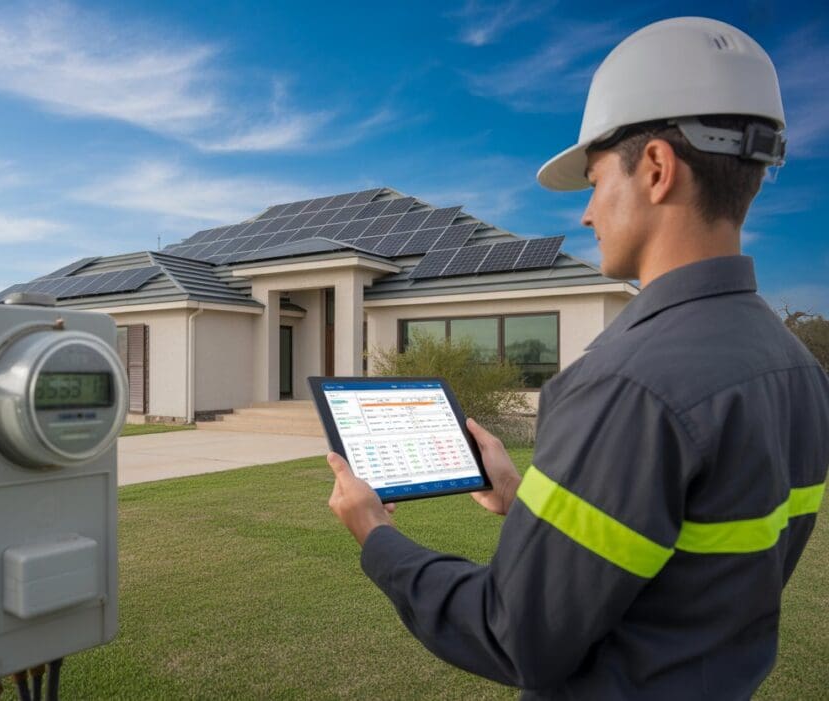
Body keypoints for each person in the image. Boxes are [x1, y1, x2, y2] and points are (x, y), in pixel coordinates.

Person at [326, 16, 829, 699]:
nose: (587, 215)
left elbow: (512, 631)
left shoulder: (629, 383)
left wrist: (376, 532)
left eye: (594, 183)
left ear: (655, 168)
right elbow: (683, 559)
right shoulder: (796, 369)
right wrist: (525, 497)